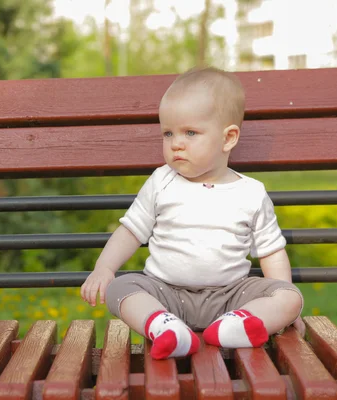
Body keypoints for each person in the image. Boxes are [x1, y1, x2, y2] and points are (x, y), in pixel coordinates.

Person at [80, 66, 304, 360]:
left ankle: (235, 326)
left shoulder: (251, 193)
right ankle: (164, 327)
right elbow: (131, 231)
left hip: (231, 296)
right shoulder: (162, 181)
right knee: (121, 288)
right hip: (165, 292)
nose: (176, 143)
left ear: (228, 138)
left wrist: (284, 311)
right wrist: (104, 268)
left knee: (290, 296)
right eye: (168, 133)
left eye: (190, 132)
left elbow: (272, 252)